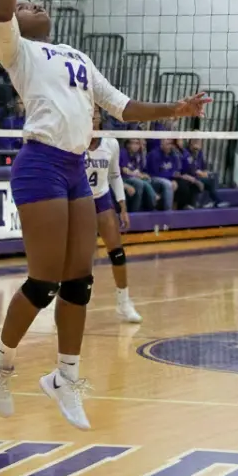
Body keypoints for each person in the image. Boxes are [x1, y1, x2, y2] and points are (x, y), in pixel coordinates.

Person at [0, 0, 210, 430]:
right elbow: (2, 10)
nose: (33, 5)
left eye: (36, 2)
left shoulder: (77, 55)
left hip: (76, 166)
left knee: (80, 281)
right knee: (43, 282)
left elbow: (122, 107)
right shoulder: (20, 52)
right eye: (27, 5)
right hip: (40, 163)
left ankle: (65, 376)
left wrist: (172, 109)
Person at [86, 108, 142, 323]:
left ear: (100, 118)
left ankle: (124, 302)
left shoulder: (110, 143)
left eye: (94, 113)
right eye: (88, 112)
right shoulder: (74, 140)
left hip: (101, 198)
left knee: (117, 252)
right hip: (79, 200)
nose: (91, 117)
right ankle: (70, 300)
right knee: (81, 257)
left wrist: (123, 207)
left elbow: (115, 175)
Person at [120, 138, 158, 212]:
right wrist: (135, 174)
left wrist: (142, 175)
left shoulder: (138, 155)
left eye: (137, 143)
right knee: (140, 183)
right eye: (133, 143)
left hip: (133, 177)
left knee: (147, 179)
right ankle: (136, 211)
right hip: (123, 178)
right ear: (128, 144)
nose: (136, 146)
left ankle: (151, 207)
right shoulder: (123, 152)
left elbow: (138, 170)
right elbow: (124, 170)